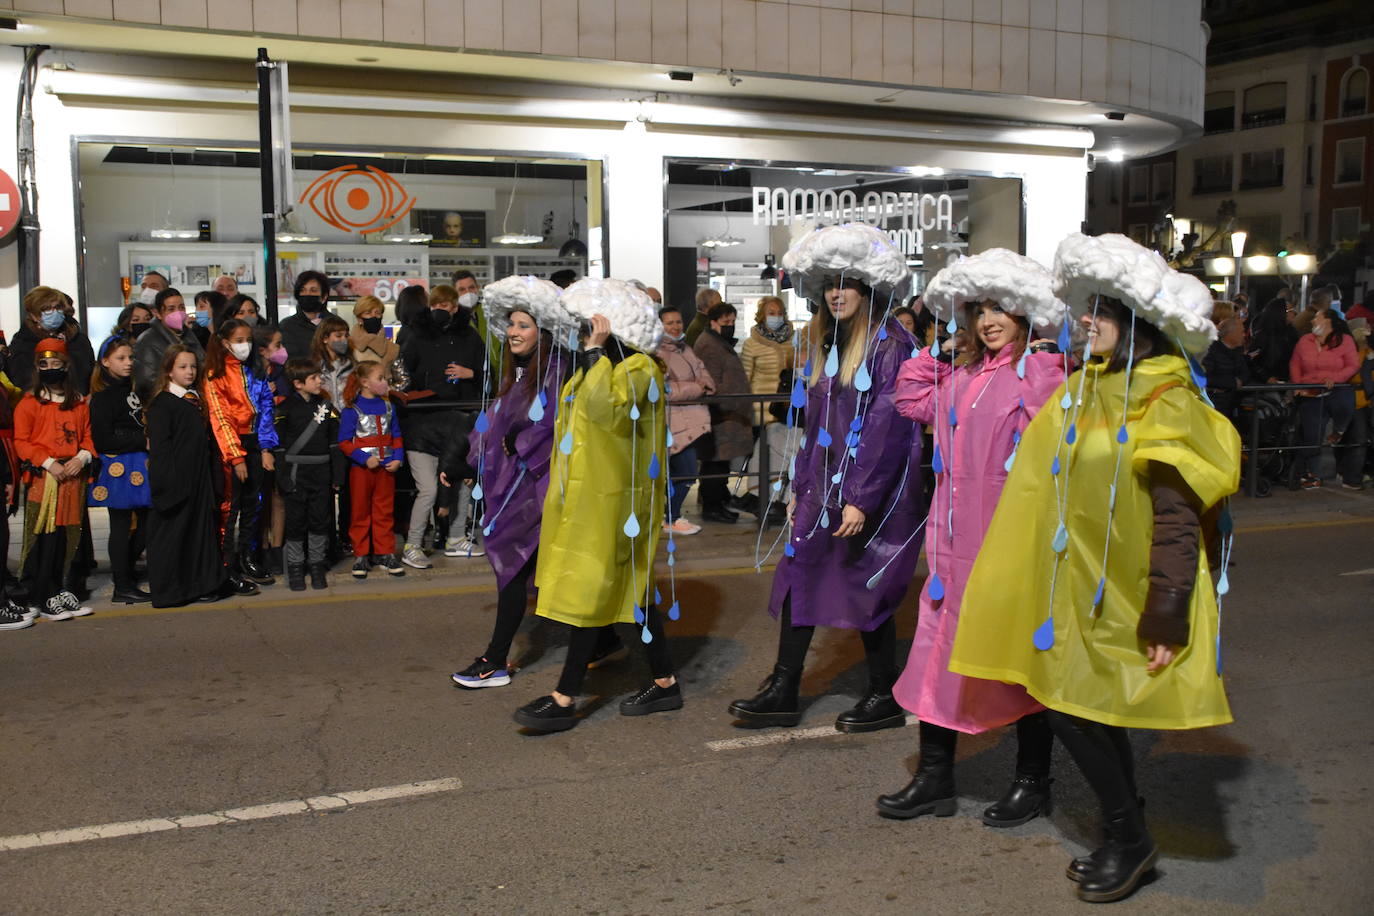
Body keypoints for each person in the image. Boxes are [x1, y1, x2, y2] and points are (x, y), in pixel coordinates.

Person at [948, 233, 1240, 903]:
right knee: (1080, 707)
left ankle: (1129, 838)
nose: (1086, 320)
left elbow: (1174, 516)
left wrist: (1166, 608)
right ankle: (1125, 825)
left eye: (1101, 310)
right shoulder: (1086, 389)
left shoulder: (1164, 401)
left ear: (1137, 323)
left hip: (1131, 594)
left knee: (1077, 711)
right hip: (1074, 588)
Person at [876, 250, 1066, 824]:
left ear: (1024, 313)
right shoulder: (961, 378)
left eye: (1000, 309)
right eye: (979, 310)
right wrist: (935, 351)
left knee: (1017, 663)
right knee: (939, 657)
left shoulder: (1034, 373)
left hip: (1009, 549)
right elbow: (910, 400)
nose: (987, 320)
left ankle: (1032, 781)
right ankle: (935, 776)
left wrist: (1042, 365)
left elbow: (1054, 433)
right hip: (950, 556)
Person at [729, 224, 923, 733]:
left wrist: (859, 498)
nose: (837, 292)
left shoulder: (890, 346)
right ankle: (784, 687)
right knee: (798, 576)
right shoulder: (825, 343)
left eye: (849, 282)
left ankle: (883, 693)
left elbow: (887, 428)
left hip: (870, 494)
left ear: (869, 289)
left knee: (867, 589)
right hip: (823, 488)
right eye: (830, 284)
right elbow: (816, 427)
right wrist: (802, 486)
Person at [514, 279, 683, 732]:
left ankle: (565, 697)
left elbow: (606, 412)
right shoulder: (596, 368)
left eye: (590, 326)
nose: (582, 334)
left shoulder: (640, 369)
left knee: (594, 592)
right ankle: (665, 683)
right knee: (631, 592)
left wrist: (593, 353)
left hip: (618, 506)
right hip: (591, 504)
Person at [451, 277, 575, 687]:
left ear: (543, 332)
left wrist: (520, 442)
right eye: (512, 325)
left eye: (525, 325)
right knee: (547, 571)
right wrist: (465, 460)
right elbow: (491, 426)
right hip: (513, 489)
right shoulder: (517, 374)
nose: (515, 332)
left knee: (514, 570)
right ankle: (607, 638)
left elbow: (554, 428)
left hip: (531, 494)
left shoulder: (554, 372)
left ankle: (495, 661)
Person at [399, 283, 487, 567]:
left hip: (460, 415)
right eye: (436, 306)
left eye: (447, 306)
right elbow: (403, 375)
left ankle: (456, 537)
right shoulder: (416, 334)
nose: (441, 311)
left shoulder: (469, 335)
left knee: (462, 479)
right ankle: (416, 542)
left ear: (455, 307)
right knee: (430, 488)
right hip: (424, 422)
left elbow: (488, 373)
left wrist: (469, 373)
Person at [146, 346, 236, 607]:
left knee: (198, 536)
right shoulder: (163, 404)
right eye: (182, 367)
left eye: (193, 367)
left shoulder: (195, 400)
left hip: (199, 480)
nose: (189, 371)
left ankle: (201, 584)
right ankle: (172, 590)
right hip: (177, 483)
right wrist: (167, 486)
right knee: (174, 537)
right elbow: (161, 449)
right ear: (169, 371)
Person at [13, 337, 96, 621]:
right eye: (44, 364)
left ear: (66, 365)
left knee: (66, 537)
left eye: (56, 363)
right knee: (43, 537)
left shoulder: (78, 403)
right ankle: (41, 593)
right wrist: (48, 463)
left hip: (72, 479)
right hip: (45, 480)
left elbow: (88, 438)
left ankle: (58, 589)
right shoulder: (29, 403)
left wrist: (81, 458)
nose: (50, 368)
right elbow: (21, 442)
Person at [202, 318, 278, 589]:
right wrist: (236, 457)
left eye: (247, 339)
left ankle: (248, 557)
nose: (244, 345)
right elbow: (220, 417)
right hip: (229, 446)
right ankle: (226, 566)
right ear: (225, 343)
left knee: (253, 505)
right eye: (238, 340)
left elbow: (267, 407)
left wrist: (267, 446)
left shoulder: (255, 370)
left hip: (256, 441)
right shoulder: (215, 374)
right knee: (228, 508)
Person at [88, 336, 152, 604]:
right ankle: (122, 584)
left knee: (149, 522)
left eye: (130, 358)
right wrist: (142, 440)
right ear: (105, 362)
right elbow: (102, 440)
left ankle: (124, 571)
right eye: (121, 358)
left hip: (141, 463)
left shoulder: (135, 390)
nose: (128, 363)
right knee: (121, 526)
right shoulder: (103, 397)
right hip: (118, 467)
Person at [274, 357, 344, 590]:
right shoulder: (284, 409)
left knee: (319, 520)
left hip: (321, 471)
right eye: (313, 378)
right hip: (296, 473)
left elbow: (335, 443)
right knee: (295, 521)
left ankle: (316, 564)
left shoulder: (326, 407)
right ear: (298, 384)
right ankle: (295, 566)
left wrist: (337, 475)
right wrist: (282, 476)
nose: (319, 381)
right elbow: (280, 446)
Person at [338, 360, 407, 580]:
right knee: (360, 512)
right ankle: (361, 554)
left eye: (385, 378)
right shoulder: (351, 409)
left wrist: (398, 459)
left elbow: (396, 436)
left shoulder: (388, 407)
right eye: (381, 379)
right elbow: (345, 442)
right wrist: (363, 458)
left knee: (384, 512)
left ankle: (384, 552)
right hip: (362, 471)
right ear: (365, 383)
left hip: (386, 470)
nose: (385, 382)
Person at [692, 303, 753, 524]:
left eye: (733, 322)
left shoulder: (718, 342)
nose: (730, 326)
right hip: (720, 414)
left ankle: (718, 502)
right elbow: (711, 381)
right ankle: (712, 506)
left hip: (727, 415)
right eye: (726, 322)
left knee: (720, 463)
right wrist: (731, 398)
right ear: (713, 321)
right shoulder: (709, 345)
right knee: (714, 463)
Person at [658, 306, 713, 535]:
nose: (675, 326)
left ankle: (671, 516)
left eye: (678, 321)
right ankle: (670, 517)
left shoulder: (686, 349)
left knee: (684, 473)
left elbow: (706, 376)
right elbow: (664, 389)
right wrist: (696, 387)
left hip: (690, 420)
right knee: (684, 472)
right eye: (669, 323)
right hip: (673, 423)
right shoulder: (657, 353)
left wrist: (699, 385)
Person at [1290, 308, 1360, 489]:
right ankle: (1314, 475)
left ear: (1328, 320)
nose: (1312, 321)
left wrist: (1335, 379)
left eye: (1316, 317)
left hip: (1335, 390)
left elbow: (1353, 365)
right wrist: (1297, 386)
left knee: (1345, 407)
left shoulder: (1345, 341)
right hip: (1310, 393)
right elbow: (1295, 363)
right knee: (1312, 434)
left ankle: (1339, 431)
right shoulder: (1305, 341)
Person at [8, 286, 97, 397]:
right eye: (47, 309)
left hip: (79, 405)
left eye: (58, 307)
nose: (54, 312)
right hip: (42, 407)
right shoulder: (23, 344)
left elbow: (91, 375)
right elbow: (22, 382)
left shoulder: (79, 340)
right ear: (34, 316)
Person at [133, 288, 203, 401]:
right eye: (171, 309)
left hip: (192, 400)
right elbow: (147, 381)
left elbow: (201, 362)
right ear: (158, 313)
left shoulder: (189, 334)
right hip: (165, 403)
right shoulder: (147, 340)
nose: (178, 313)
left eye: (181, 307)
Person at [1339, 319, 1373, 489]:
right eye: (1364, 327)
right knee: (1358, 440)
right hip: (1357, 402)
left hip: (1363, 402)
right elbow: (1355, 375)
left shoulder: (1367, 351)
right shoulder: (1356, 353)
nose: (1368, 329)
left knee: (1357, 440)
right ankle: (1352, 478)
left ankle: (1352, 474)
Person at [1203, 317, 1253, 422]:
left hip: (1232, 401)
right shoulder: (1211, 351)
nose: (1244, 335)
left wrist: (1239, 380)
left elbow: (1245, 373)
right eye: (1242, 331)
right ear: (1231, 333)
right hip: (1214, 402)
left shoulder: (1237, 351)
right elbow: (1205, 377)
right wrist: (1232, 382)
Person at [279, 270, 333, 362]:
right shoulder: (287, 325)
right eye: (303, 290)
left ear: (324, 297)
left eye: (313, 290)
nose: (307, 294)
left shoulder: (335, 324)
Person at [349, 295, 403, 383]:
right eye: (368, 313)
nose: (373, 316)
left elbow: (402, 379)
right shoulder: (349, 346)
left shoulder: (393, 348)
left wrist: (388, 390)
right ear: (359, 319)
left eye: (377, 313)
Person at [1248, 298, 1298, 383]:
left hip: (1285, 383)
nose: (1294, 313)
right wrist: (1266, 377)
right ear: (1281, 313)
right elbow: (1252, 361)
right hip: (1265, 385)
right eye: (1290, 310)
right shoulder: (1263, 336)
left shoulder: (1292, 334)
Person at [312, 314, 355, 406]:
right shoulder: (314, 367)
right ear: (325, 338)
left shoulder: (352, 365)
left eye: (346, 336)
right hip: (324, 416)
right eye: (339, 336)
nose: (344, 340)